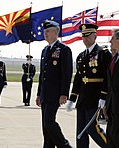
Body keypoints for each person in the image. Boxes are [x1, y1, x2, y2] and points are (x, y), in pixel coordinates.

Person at [66, 24, 111, 148]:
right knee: (81, 131)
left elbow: (108, 78)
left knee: (93, 128)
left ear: (95, 36)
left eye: (88, 35)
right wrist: (72, 98)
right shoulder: (81, 56)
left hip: (96, 98)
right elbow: (78, 78)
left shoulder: (103, 53)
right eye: (83, 36)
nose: (85, 38)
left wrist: (104, 96)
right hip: (83, 98)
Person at [35, 20, 73, 148]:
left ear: (56, 32)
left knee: (49, 123)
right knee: (45, 127)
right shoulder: (45, 50)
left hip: (55, 94)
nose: (45, 34)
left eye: (48, 31)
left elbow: (66, 74)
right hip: (45, 94)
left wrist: (64, 93)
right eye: (45, 31)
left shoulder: (64, 49)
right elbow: (43, 75)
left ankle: (65, 145)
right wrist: (39, 94)